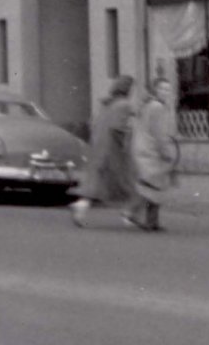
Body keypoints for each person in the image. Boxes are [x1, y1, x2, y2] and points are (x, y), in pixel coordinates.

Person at [70, 75, 137, 228]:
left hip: (98, 149)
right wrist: (128, 139)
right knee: (128, 183)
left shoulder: (106, 104)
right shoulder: (124, 105)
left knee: (98, 185)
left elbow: (93, 124)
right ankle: (129, 215)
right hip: (113, 151)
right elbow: (119, 129)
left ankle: (81, 206)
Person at [130, 76, 180, 231]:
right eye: (162, 89)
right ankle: (133, 212)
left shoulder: (149, 105)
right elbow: (159, 134)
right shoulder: (157, 107)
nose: (165, 92)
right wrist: (165, 152)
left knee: (154, 185)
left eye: (168, 89)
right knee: (152, 186)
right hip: (152, 150)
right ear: (155, 90)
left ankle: (151, 221)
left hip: (143, 148)